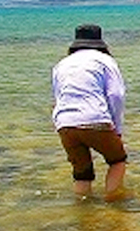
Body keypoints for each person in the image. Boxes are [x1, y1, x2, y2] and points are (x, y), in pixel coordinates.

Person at [52, 24, 128, 202]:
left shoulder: (61, 64)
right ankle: (113, 204)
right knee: (117, 160)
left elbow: (58, 95)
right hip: (94, 118)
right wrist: (117, 128)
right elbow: (116, 95)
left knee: (82, 174)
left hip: (64, 122)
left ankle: (84, 215)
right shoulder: (105, 60)